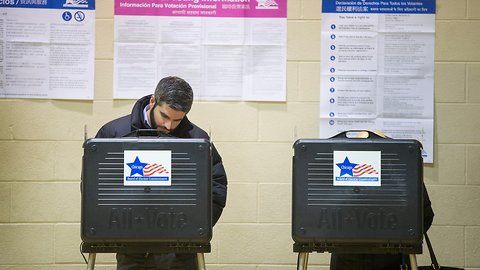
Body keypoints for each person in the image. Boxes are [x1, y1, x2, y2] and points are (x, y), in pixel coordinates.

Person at [95, 76, 228, 270]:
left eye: (177, 120)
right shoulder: (114, 133)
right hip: (130, 245)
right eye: (164, 116)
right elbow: (95, 187)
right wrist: (114, 225)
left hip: (181, 248)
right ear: (152, 101)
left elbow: (216, 186)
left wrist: (196, 227)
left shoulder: (197, 140)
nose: (169, 126)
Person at [329, 186, 435, 270]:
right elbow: (423, 217)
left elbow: (320, 217)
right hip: (393, 258)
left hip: (346, 259)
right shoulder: (402, 166)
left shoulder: (337, 167)